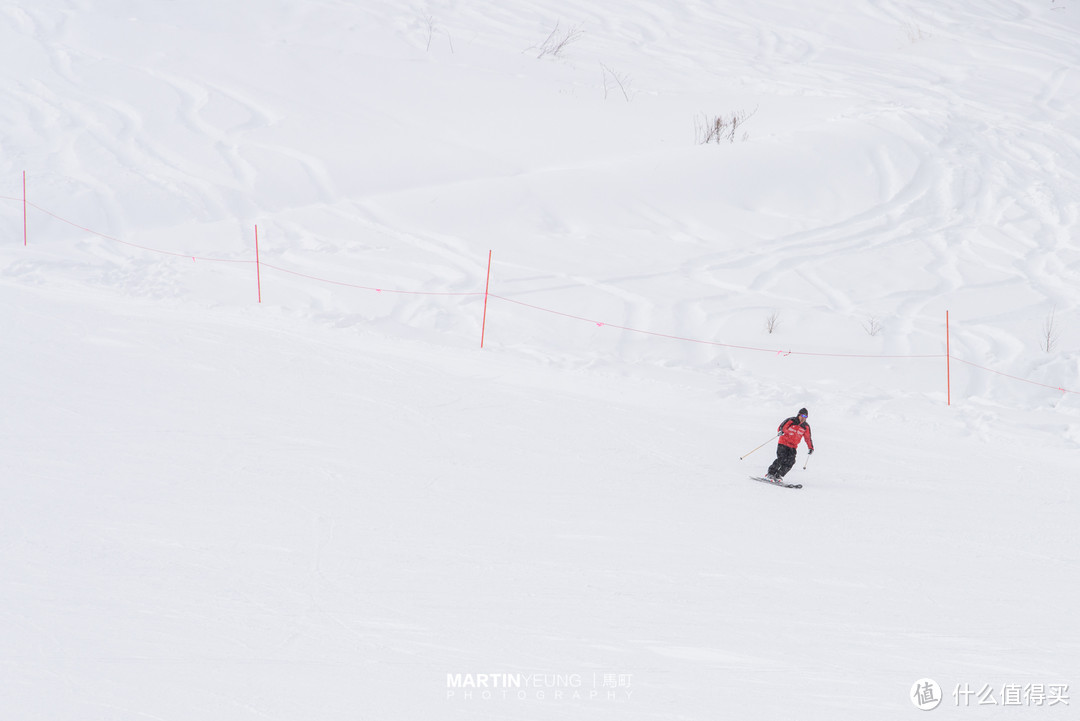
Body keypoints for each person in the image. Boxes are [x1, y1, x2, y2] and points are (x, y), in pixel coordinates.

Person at [765, 408, 814, 482]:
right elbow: (782, 427)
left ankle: (779, 475)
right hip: (783, 443)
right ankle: (770, 473)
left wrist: (810, 448)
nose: (804, 418)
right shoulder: (791, 420)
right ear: (799, 414)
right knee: (781, 458)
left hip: (793, 446)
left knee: (791, 461)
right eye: (803, 416)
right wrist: (781, 431)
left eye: (806, 417)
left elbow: (808, 438)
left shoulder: (806, 426)